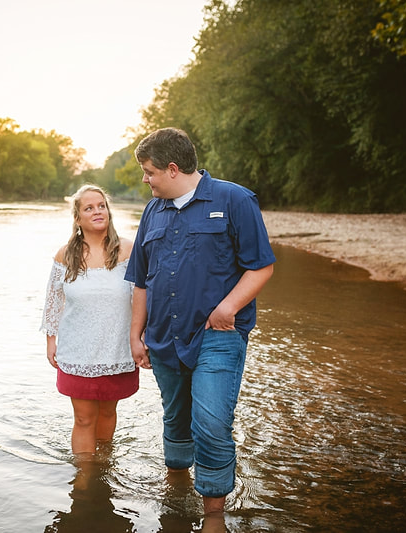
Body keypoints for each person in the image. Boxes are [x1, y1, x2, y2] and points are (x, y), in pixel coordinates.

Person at [124, 128, 275, 521]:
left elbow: (261, 266)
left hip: (218, 335)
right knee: (175, 417)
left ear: (172, 169)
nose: (145, 179)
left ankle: (213, 516)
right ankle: (175, 494)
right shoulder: (152, 211)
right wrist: (134, 335)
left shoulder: (234, 200)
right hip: (163, 339)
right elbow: (141, 280)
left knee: (210, 422)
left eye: (149, 171)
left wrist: (228, 308)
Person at [41, 184, 138, 459]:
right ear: (78, 217)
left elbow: (144, 299)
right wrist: (51, 340)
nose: (97, 211)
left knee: (108, 412)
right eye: (89, 208)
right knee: (84, 418)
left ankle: (104, 463)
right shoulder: (65, 255)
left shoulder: (129, 250)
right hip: (77, 350)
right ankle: (85, 480)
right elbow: (53, 300)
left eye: (101, 206)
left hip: (116, 347)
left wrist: (142, 337)